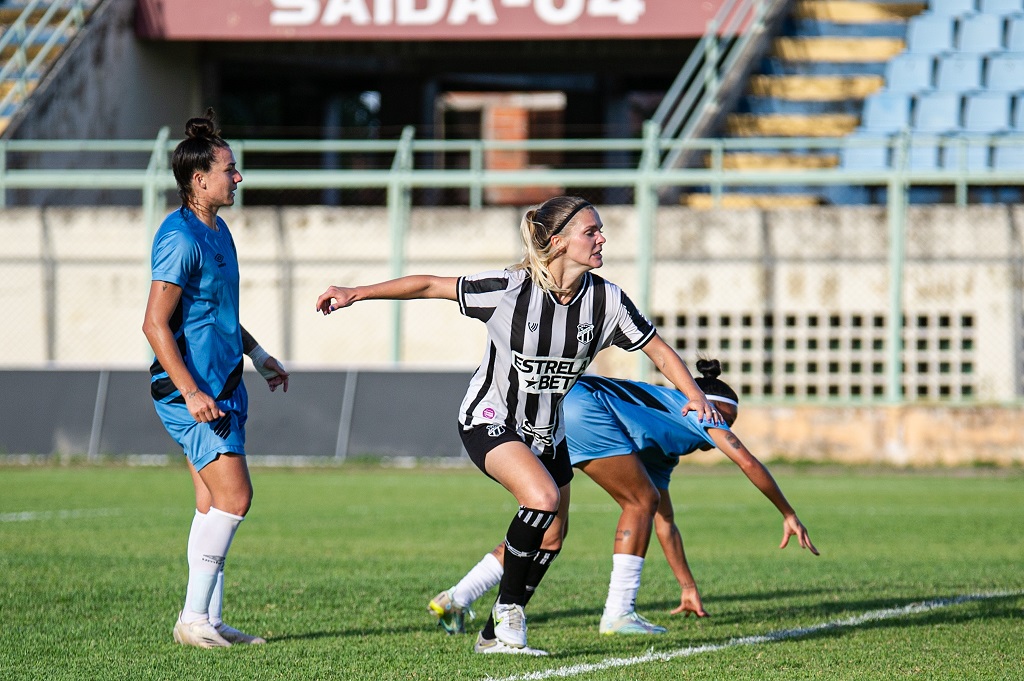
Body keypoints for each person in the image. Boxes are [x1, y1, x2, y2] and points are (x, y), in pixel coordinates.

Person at [316, 196, 721, 655]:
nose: (602, 238)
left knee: (552, 533)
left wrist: (694, 395)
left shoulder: (607, 300)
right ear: (557, 241)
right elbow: (429, 284)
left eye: (600, 230)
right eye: (592, 231)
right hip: (490, 418)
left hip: (548, 431)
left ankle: (491, 631)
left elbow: (658, 349)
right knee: (542, 498)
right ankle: (509, 619)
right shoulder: (508, 288)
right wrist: (355, 293)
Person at [427, 358, 819, 637]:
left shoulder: (659, 439)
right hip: (582, 407)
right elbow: (748, 462)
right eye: (726, 421)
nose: (720, 434)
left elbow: (663, 519)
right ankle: (618, 613)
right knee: (638, 501)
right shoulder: (697, 409)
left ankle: (457, 597)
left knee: (549, 532)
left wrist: (686, 585)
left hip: (558, 405)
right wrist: (788, 512)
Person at [142, 109, 290, 648]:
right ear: (199, 179)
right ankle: (194, 621)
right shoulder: (180, 239)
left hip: (223, 383)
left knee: (211, 505)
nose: (238, 177)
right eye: (230, 169)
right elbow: (154, 322)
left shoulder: (218, 229)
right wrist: (192, 391)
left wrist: (258, 353)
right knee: (235, 499)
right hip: (194, 391)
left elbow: (217, 309)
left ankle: (209, 618)